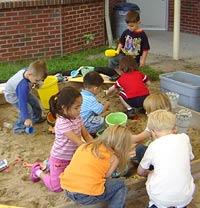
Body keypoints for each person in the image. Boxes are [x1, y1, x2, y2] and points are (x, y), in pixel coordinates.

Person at [30, 86, 93, 192]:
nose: (80, 110)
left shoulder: (76, 117)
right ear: (64, 108)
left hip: (72, 157)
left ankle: (48, 165)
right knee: (57, 187)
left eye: (80, 106)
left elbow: (86, 135)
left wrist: (95, 144)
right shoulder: (62, 123)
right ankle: (37, 171)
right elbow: (79, 143)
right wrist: (94, 150)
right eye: (76, 107)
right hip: (60, 158)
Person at [60, 125, 134, 208]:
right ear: (122, 145)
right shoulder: (114, 156)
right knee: (121, 184)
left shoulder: (86, 146)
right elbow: (106, 176)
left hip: (67, 189)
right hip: (85, 195)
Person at [137, 110, 195, 208]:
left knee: (158, 197)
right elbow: (190, 158)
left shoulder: (153, 146)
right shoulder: (184, 138)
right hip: (185, 196)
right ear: (174, 128)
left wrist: (149, 173)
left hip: (161, 198)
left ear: (153, 132)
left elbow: (140, 171)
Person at [3, 60, 48, 134]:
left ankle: (36, 118)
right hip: (13, 96)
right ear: (29, 74)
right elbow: (22, 103)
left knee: (35, 102)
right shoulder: (23, 86)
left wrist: (37, 83)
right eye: (36, 80)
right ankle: (18, 127)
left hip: (21, 91)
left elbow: (35, 77)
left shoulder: (29, 71)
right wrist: (27, 118)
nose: (37, 82)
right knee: (28, 109)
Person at [108, 10, 150, 80]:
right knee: (112, 60)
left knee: (131, 73)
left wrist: (143, 60)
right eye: (128, 26)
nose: (130, 28)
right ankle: (118, 74)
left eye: (132, 26)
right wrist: (117, 51)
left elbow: (145, 49)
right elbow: (121, 43)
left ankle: (131, 79)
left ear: (139, 22)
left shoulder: (142, 35)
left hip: (134, 60)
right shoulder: (126, 32)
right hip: (123, 56)